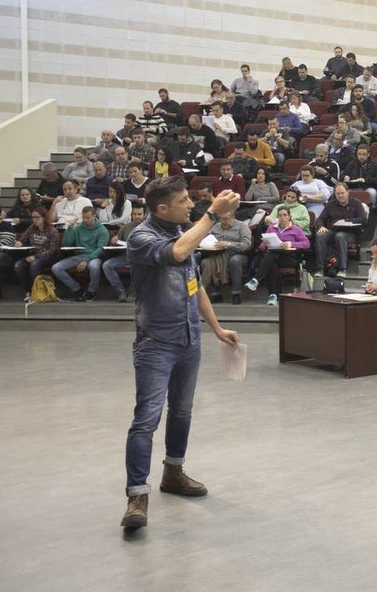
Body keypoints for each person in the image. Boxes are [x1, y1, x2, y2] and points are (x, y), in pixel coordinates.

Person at [119, 176, 242, 530]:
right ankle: (137, 495)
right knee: (146, 419)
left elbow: (195, 285)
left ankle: (173, 472)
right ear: (162, 208)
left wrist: (216, 328)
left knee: (182, 412)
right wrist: (213, 215)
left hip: (189, 340)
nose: (191, 205)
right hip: (155, 343)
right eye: (185, 201)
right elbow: (177, 254)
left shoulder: (180, 233)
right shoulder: (142, 237)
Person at [243, 206, 310, 306]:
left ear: (289, 217)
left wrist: (290, 244)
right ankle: (273, 296)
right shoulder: (271, 228)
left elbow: (306, 243)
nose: (282, 217)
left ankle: (256, 280)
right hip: (272, 257)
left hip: (288, 257)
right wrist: (264, 244)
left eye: (285, 215)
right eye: (280, 215)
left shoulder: (295, 229)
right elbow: (262, 247)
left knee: (271, 255)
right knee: (271, 261)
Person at [50, 206, 109, 301]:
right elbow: (67, 243)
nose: (85, 220)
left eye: (88, 217)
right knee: (56, 268)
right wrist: (69, 228)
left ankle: (92, 291)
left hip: (94, 256)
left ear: (94, 216)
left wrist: (87, 260)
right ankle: (76, 288)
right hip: (78, 255)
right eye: (83, 217)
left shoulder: (102, 230)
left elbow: (100, 249)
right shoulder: (78, 228)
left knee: (94, 267)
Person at [313, 183, 368, 277]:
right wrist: (321, 226)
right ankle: (320, 268)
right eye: (338, 193)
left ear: (347, 192)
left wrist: (346, 221)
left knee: (340, 236)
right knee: (320, 235)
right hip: (333, 230)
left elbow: (363, 220)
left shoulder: (356, 203)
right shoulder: (331, 204)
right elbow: (320, 219)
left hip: (350, 233)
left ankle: (343, 268)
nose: (340, 196)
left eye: (342, 193)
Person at [102, 205, 148, 302]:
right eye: (134, 214)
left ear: (145, 215)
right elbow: (116, 243)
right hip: (126, 257)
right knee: (107, 265)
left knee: (141, 265)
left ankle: (133, 291)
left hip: (143, 258)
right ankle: (120, 290)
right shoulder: (126, 227)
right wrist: (114, 242)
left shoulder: (150, 228)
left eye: (139, 214)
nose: (136, 216)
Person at [14, 207, 61, 299]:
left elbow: (52, 250)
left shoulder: (52, 230)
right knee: (18, 265)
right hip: (33, 254)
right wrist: (19, 242)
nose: (34, 220)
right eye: (33, 218)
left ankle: (36, 290)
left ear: (44, 218)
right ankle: (28, 290)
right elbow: (23, 238)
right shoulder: (32, 228)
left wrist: (36, 256)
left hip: (48, 256)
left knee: (34, 265)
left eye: (37, 217)